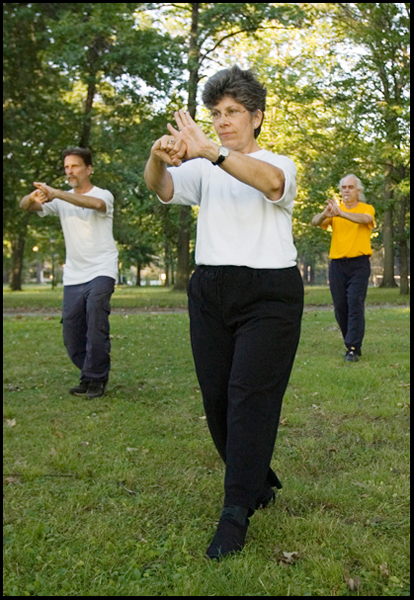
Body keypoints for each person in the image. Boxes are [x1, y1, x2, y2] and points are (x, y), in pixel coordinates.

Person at [144, 66, 304, 559]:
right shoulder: (202, 166)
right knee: (217, 398)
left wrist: (212, 152)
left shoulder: (278, 161)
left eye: (233, 112)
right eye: (215, 113)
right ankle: (258, 480)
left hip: (268, 295)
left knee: (247, 398)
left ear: (256, 116)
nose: (223, 121)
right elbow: (162, 189)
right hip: (210, 290)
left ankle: (235, 512)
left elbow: (271, 182)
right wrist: (157, 157)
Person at [20, 147, 118, 398]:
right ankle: (88, 373)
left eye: (74, 166)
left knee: (96, 323)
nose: (69, 171)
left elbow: (95, 204)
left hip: (101, 270)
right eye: (66, 167)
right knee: (72, 334)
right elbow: (25, 207)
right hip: (74, 275)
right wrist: (34, 197)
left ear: (89, 169)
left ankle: (97, 379)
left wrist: (58, 194)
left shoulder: (103, 195)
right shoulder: (60, 200)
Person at [311, 174, 375, 361]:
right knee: (340, 307)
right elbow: (315, 222)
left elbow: (364, 219)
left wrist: (341, 213)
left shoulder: (366, 208)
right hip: (337, 265)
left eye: (350, 187)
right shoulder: (334, 210)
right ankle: (352, 341)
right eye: (343, 187)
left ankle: (352, 347)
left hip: (359, 264)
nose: (346, 191)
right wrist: (325, 214)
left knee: (355, 302)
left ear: (358, 191)